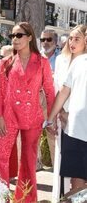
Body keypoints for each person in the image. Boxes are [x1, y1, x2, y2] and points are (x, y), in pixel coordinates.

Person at [0, 22, 55, 202]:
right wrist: (0, 117)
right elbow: (0, 93)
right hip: (9, 116)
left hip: (32, 117)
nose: (15, 39)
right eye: (12, 36)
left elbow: (49, 92)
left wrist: (51, 118)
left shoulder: (42, 63)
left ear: (29, 37)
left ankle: (26, 199)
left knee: (28, 162)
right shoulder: (6, 62)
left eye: (19, 35)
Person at [52, 25, 87, 202]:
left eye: (77, 38)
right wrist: (52, 117)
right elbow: (64, 91)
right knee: (76, 184)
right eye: (71, 38)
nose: (72, 42)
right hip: (74, 131)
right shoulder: (79, 62)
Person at [40, 29, 60, 167]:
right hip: (36, 104)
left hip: (54, 105)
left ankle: (57, 174)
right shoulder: (35, 57)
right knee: (32, 141)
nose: (45, 43)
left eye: (49, 39)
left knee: (54, 139)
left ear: (56, 42)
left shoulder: (62, 60)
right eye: (43, 40)